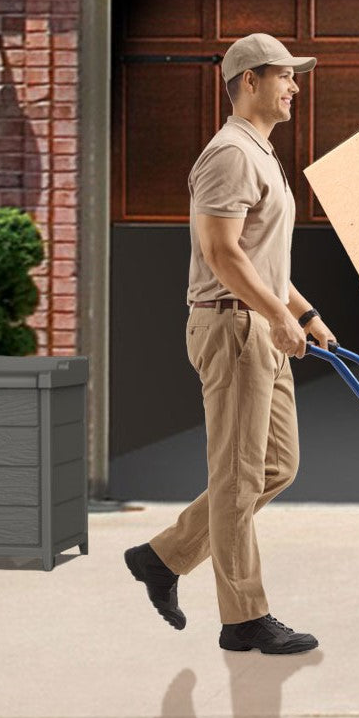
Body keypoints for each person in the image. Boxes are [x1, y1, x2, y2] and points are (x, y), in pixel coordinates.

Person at [125, 32, 337, 655]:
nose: (296, 86)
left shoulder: (260, 154)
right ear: (250, 80)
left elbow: (258, 255)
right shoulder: (229, 155)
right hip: (234, 327)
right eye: (285, 76)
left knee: (275, 466)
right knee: (239, 474)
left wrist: (304, 310)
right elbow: (219, 252)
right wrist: (275, 314)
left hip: (260, 324)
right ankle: (244, 618)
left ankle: (163, 557)